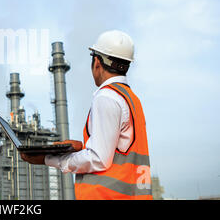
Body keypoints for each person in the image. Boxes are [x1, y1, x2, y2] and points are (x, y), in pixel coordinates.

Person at [20, 30, 152, 200]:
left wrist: (48, 158)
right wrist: (84, 148)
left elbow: (99, 158)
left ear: (97, 62)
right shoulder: (132, 99)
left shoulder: (106, 96)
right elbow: (118, 151)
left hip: (106, 196)